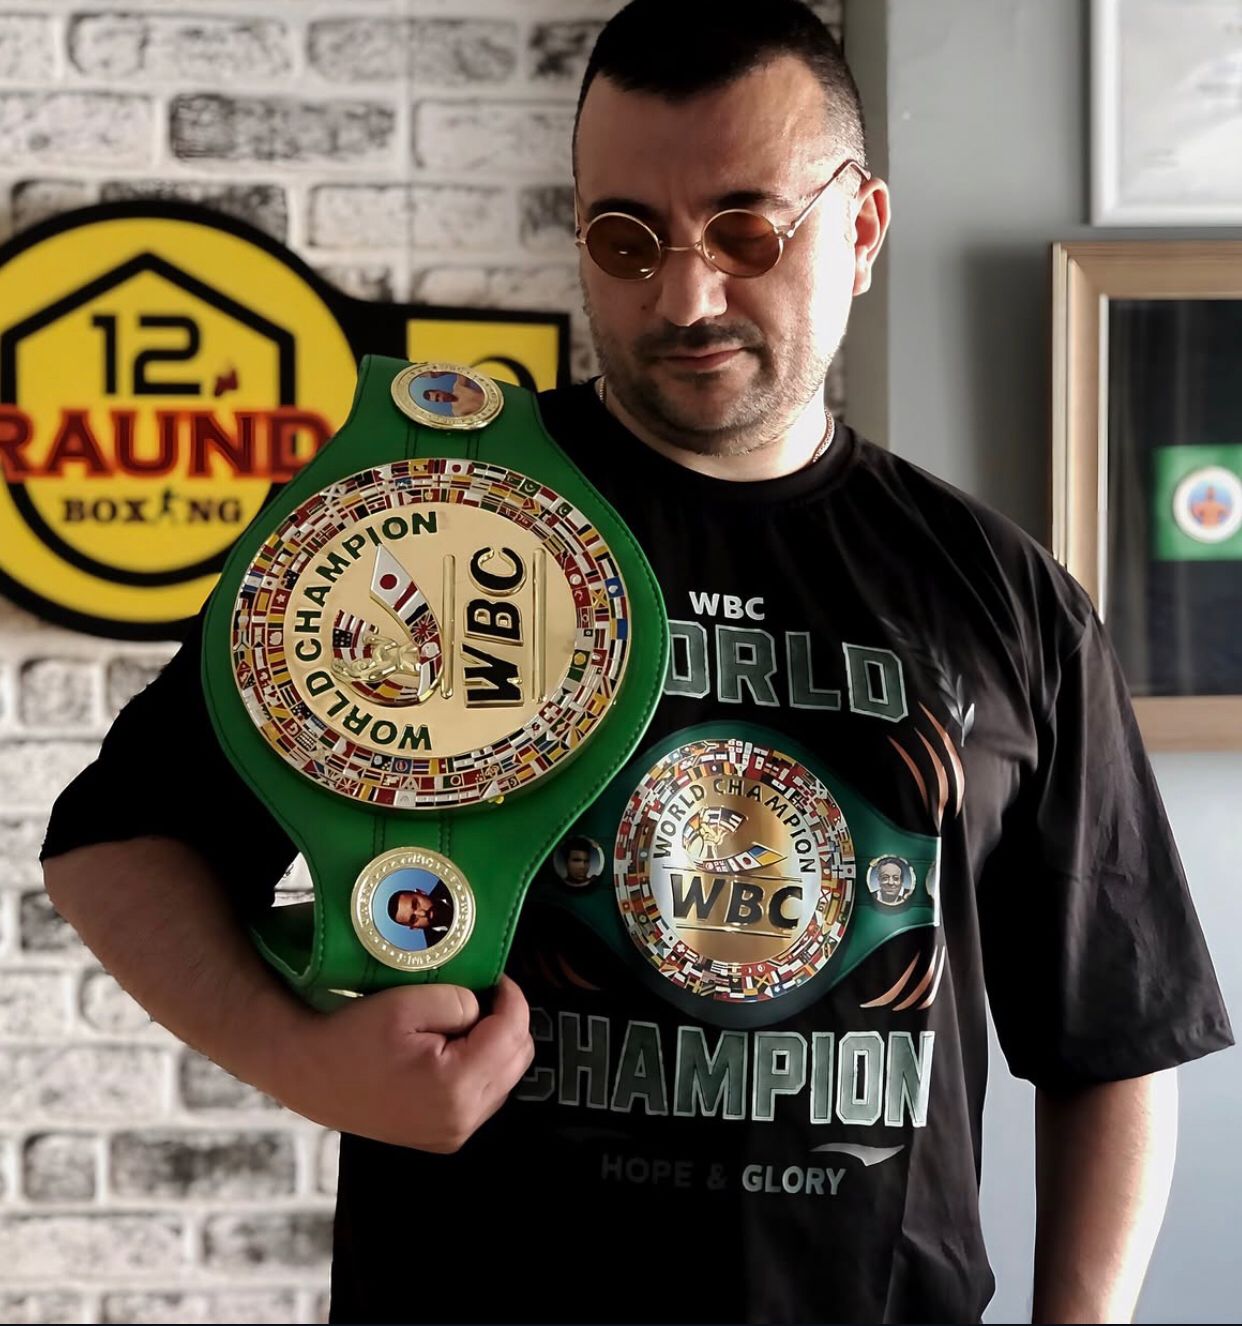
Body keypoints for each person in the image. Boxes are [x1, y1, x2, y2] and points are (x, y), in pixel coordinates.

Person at [39, 3, 1233, 1323]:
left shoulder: (1005, 600)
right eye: (625, 237)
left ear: (860, 230)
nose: (684, 296)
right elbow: (116, 842)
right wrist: (302, 1062)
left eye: (745, 230)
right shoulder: (428, 516)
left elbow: (1116, 1034)